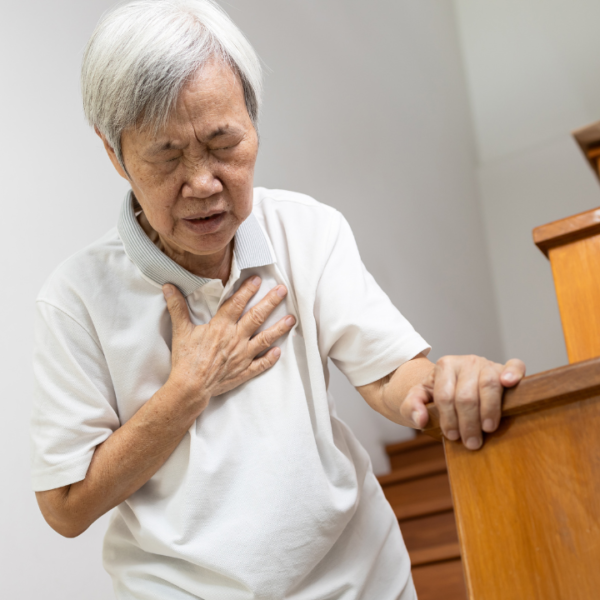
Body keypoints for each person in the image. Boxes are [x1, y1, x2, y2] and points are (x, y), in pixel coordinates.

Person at [30, 1, 525, 598]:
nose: (205, 182)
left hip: (362, 581)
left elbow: (390, 375)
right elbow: (64, 508)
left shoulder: (307, 230)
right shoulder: (75, 298)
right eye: (166, 155)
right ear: (115, 156)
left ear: (254, 124)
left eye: (223, 143)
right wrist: (189, 389)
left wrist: (448, 382)